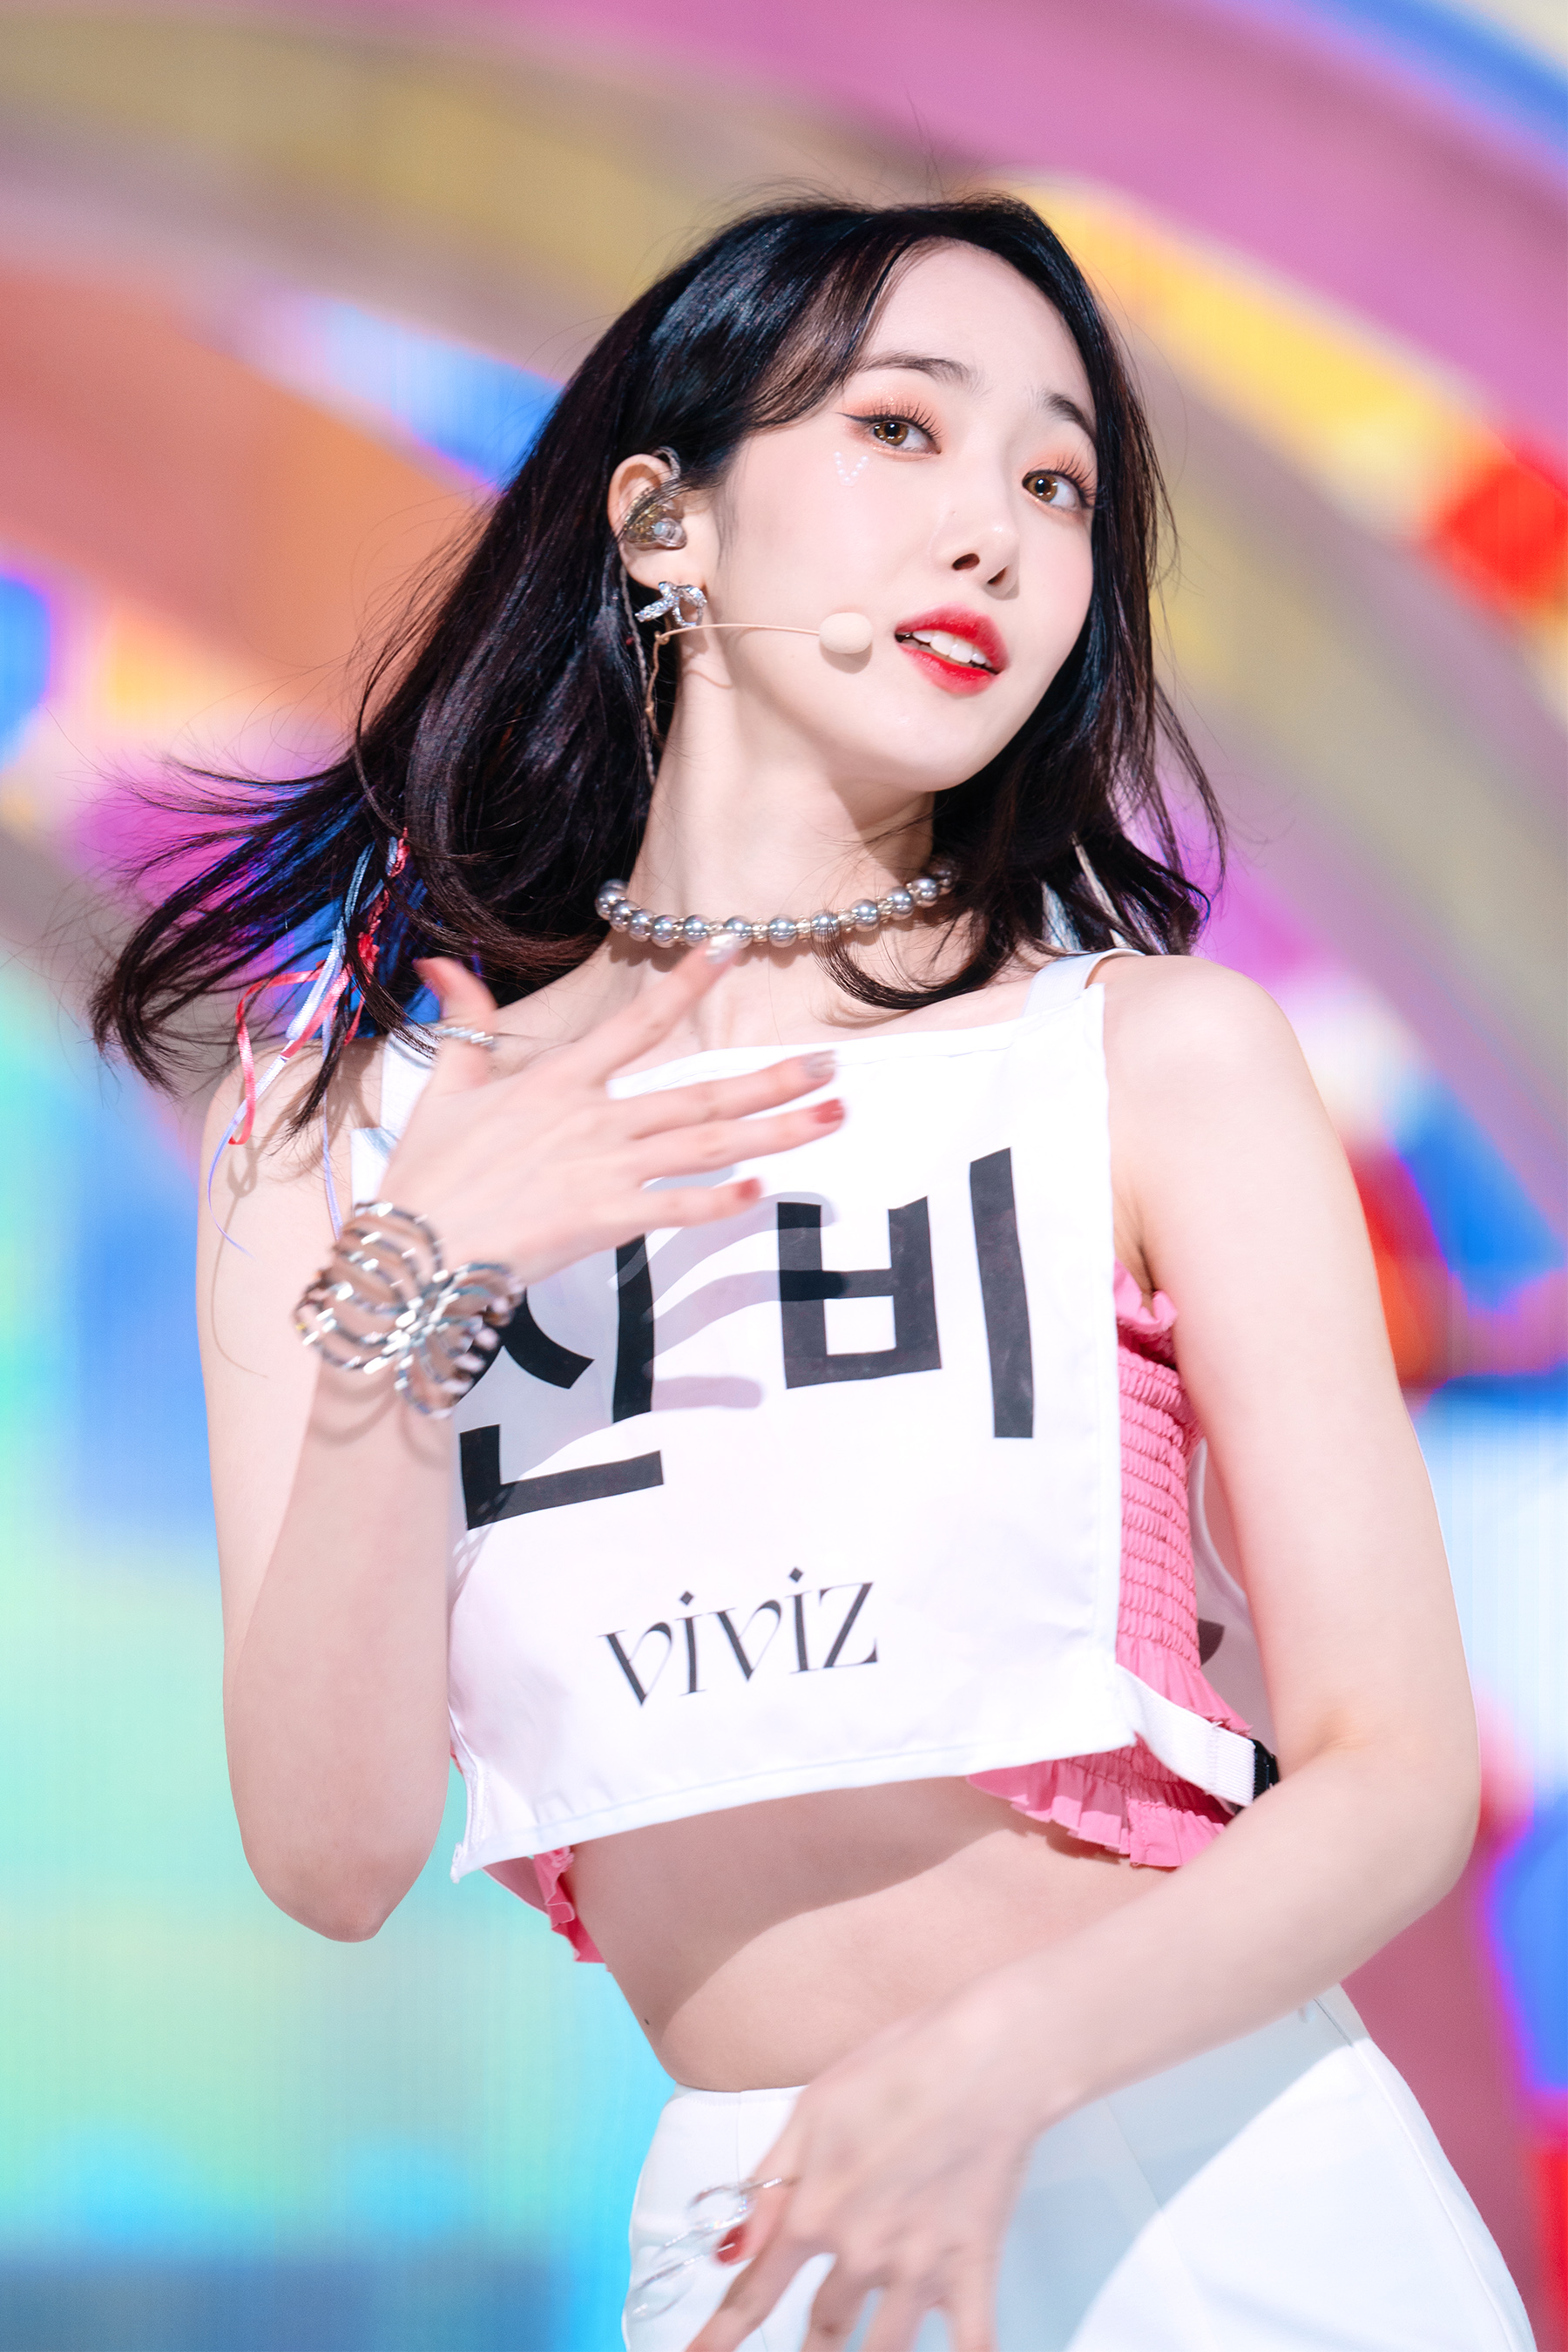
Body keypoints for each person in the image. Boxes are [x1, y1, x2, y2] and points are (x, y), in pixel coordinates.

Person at [95, 199, 1533, 2349]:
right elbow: (332, 1854)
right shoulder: (343, 1138)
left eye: (1057, 484)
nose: (993, 534)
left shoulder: (1154, 1061)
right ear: (662, 522)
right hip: (773, 2233)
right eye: (900, 431)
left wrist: (993, 2073)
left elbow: (1392, 1771)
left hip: (1205, 2173)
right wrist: (429, 1291)